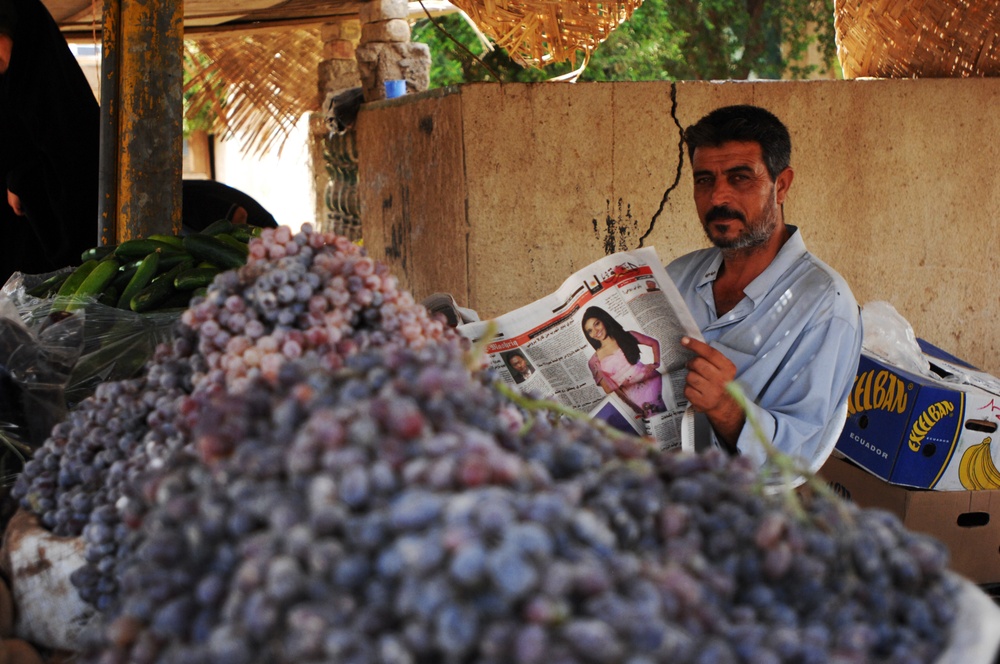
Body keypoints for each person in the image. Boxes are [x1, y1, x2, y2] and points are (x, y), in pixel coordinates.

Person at [666, 104, 863, 474]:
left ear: (782, 185)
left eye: (740, 178)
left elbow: (796, 458)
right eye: (704, 180)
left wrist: (725, 407)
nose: (718, 198)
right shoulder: (677, 277)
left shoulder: (825, 305)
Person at [0, 0, 100, 283]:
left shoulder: (55, 93)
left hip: (42, 259)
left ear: (20, 35)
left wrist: (23, 181)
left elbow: (76, 160)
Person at [582, 306, 666, 418]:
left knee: (661, 415)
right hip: (632, 395)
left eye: (597, 324)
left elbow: (654, 343)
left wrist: (656, 364)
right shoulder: (594, 361)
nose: (595, 331)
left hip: (650, 384)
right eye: (590, 331)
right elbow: (611, 390)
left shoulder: (627, 336)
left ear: (604, 320)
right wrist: (633, 407)